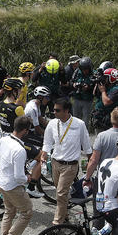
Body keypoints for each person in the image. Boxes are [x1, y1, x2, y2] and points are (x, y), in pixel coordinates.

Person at [42, 97, 92, 226]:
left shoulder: (79, 124)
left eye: (57, 110)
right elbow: (47, 142)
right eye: (54, 110)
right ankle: (65, 216)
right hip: (55, 163)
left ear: (66, 110)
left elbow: (86, 144)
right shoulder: (52, 123)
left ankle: (57, 223)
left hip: (70, 165)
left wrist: (91, 162)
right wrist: (44, 155)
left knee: (60, 193)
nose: (54, 112)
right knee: (61, 192)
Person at [0, 116, 35, 235]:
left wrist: (5, 169)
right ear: (25, 131)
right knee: (27, 212)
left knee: (9, 211)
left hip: (1, 182)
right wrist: (28, 178)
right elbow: (19, 177)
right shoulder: (20, 150)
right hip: (13, 187)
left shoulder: (3, 140)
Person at [92, 67, 118, 132]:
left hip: (108, 119)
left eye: (106, 77)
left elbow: (106, 102)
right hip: (100, 117)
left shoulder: (116, 89)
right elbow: (94, 94)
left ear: (111, 78)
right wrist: (98, 82)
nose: (104, 79)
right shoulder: (106, 86)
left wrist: (103, 91)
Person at [69, 56, 95, 122]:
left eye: (86, 69)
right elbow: (71, 82)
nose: (84, 71)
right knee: (75, 119)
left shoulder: (94, 74)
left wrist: (88, 87)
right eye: (83, 69)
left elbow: (96, 86)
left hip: (87, 100)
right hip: (77, 98)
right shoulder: (77, 72)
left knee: (85, 120)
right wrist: (74, 85)